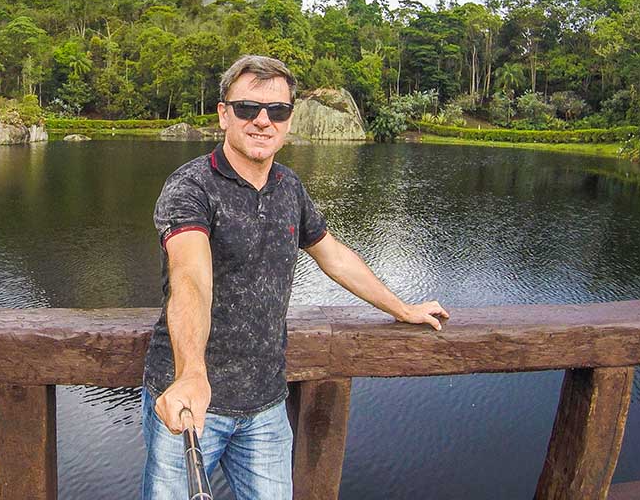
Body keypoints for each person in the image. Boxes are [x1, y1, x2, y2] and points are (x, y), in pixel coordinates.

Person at [141, 54, 449, 499]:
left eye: (277, 111)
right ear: (223, 113)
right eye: (247, 108)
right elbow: (191, 276)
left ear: (289, 121)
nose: (262, 121)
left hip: (265, 404)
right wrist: (191, 373)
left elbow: (334, 256)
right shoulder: (192, 187)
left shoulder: (289, 188)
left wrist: (402, 308)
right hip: (190, 403)